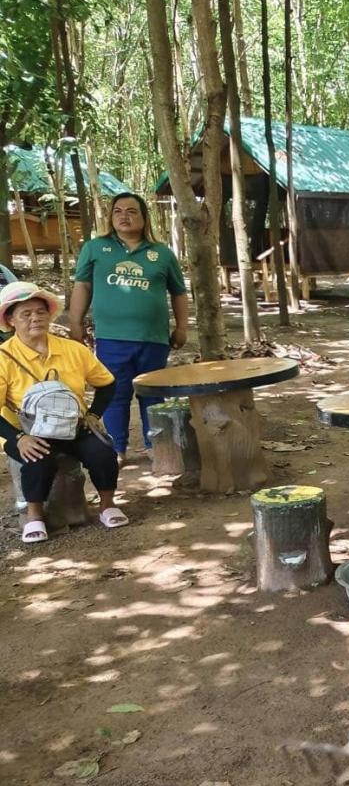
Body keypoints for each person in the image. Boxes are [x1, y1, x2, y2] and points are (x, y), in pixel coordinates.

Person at [67, 192, 189, 464]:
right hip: (112, 339)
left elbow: (179, 293)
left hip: (154, 338)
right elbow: (83, 286)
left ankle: (155, 444)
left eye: (132, 211)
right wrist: (75, 322)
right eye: (118, 211)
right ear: (111, 218)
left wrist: (182, 328)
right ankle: (116, 448)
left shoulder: (162, 254)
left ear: (144, 218)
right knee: (115, 393)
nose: (124, 216)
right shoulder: (95, 248)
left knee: (153, 393)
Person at [0, 281, 125, 543]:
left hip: (73, 425)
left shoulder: (73, 350)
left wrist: (93, 415)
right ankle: (34, 517)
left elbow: (107, 383)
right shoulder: (3, 358)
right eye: (26, 313)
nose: (35, 318)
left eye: (40, 311)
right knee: (37, 457)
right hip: (26, 431)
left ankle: (107, 505)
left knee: (102, 451)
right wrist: (18, 438)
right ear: (10, 320)